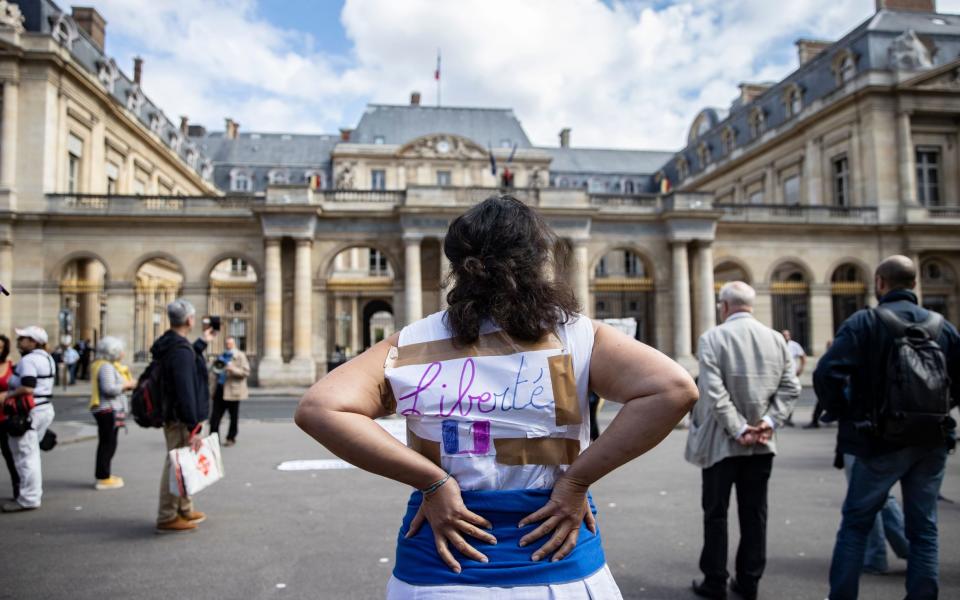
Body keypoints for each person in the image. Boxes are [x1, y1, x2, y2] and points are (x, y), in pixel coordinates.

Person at [295, 195, 698, 598]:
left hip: (443, 558)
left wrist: (432, 482)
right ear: (537, 260)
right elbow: (674, 389)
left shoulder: (414, 341)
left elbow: (321, 408)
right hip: (557, 554)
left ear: (456, 266)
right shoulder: (576, 335)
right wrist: (576, 481)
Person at [815, 255, 960, 600]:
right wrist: (933, 411)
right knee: (924, 529)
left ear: (880, 283)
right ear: (914, 285)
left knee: (856, 525)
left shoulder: (864, 322)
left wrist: (845, 412)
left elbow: (826, 374)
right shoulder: (944, 327)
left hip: (876, 440)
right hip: (932, 439)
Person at [686, 282, 800, 600]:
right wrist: (766, 423)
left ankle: (715, 581)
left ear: (724, 306)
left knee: (716, 513)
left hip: (721, 443)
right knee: (755, 514)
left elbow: (713, 391)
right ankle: (749, 582)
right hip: (762, 443)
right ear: (751, 305)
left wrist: (738, 430)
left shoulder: (712, 338)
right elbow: (791, 388)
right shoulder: (776, 339)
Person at [151, 299, 215, 533]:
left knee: (183, 463)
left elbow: (185, 362)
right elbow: (185, 389)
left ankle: (184, 508)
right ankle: (167, 515)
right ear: (189, 320)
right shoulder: (179, 350)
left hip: (176, 415)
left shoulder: (174, 345)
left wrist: (201, 343)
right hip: (181, 419)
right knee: (176, 464)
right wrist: (193, 426)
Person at [1, 326, 57, 513]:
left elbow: (28, 387)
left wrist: (6, 396)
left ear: (33, 341)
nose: (19, 341)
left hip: (29, 413)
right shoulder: (46, 358)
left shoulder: (30, 360)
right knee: (30, 454)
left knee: (26, 456)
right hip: (43, 409)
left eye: (23, 338)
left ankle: (28, 498)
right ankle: (30, 495)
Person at [89, 336, 135, 490]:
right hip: (107, 409)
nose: (123, 353)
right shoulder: (106, 367)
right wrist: (127, 385)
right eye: (121, 350)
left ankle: (105, 474)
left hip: (107, 409)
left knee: (108, 443)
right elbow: (109, 389)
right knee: (108, 444)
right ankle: (103, 477)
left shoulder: (106, 365)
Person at [208, 336, 249, 447]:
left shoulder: (240, 356)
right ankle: (213, 439)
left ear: (234, 344)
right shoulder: (221, 356)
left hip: (233, 391)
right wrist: (212, 390)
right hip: (220, 389)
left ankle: (231, 438)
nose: (228, 345)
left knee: (233, 417)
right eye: (227, 343)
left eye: (230, 343)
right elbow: (213, 374)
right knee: (214, 417)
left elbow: (245, 372)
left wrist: (232, 369)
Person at [0, 334, 19, 499]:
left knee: (9, 454)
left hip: (5, 417)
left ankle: (18, 488)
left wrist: (7, 394)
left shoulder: (11, 366)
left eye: (0, 347)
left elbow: (18, 387)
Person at [780, 329, 805, 427]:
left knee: (791, 395)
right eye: (784, 335)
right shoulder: (777, 343)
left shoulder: (794, 345)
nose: (786, 337)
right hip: (779, 375)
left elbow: (803, 357)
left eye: (787, 335)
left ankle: (789, 417)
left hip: (791, 374)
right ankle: (781, 418)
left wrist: (801, 369)